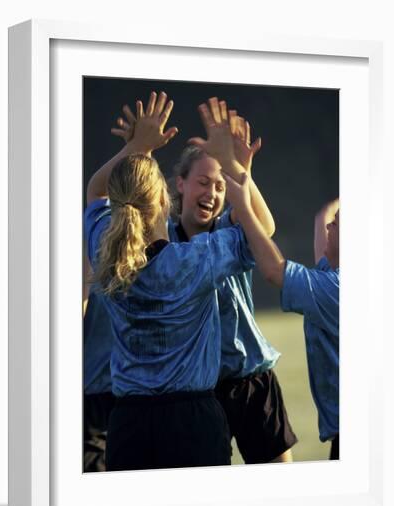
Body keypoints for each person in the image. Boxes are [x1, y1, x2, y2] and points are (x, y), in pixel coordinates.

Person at [108, 95, 297, 464]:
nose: (211, 193)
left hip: (248, 374)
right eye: (203, 182)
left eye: (221, 186)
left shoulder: (225, 228)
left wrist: (243, 172)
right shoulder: (170, 246)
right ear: (178, 184)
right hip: (202, 388)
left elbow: (265, 226)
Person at [85, 92, 258, 471]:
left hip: (128, 422)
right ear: (165, 199)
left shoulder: (103, 250)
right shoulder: (196, 259)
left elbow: (95, 191)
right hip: (192, 422)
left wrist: (136, 147)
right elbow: (258, 231)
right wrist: (234, 167)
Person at [216, 133, 340, 460]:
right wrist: (243, 169)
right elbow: (323, 216)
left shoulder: (337, 292)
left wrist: (242, 203)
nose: (329, 227)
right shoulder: (333, 273)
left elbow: (273, 270)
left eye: (338, 226)